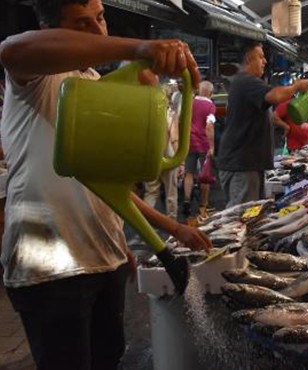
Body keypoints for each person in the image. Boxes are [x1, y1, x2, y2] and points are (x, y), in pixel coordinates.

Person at [0, 1, 212, 369]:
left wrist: (168, 228)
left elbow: (110, 184)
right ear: (53, 28)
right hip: (47, 265)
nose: (98, 32)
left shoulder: (96, 85)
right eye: (81, 24)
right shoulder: (35, 80)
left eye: (99, 17)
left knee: (108, 361)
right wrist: (137, 48)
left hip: (104, 258)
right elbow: (12, 50)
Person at [217, 42, 308, 209]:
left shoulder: (245, 82)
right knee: (241, 218)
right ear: (248, 59)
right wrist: (296, 86)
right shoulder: (246, 81)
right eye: (260, 57)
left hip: (249, 164)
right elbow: (274, 95)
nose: (265, 61)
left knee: (253, 216)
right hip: (242, 164)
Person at [143, 86, 179, 219]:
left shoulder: (148, 114)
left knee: (151, 192)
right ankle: (172, 221)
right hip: (169, 158)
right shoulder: (170, 114)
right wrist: (180, 161)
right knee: (171, 193)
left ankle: (145, 223)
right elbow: (174, 138)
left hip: (151, 158)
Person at [182, 80, 216, 219]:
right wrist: (212, 146)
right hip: (203, 143)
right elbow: (209, 126)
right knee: (205, 176)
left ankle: (186, 201)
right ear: (211, 93)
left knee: (188, 173)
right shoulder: (210, 106)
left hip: (189, 142)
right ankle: (203, 206)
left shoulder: (189, 102)